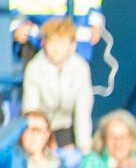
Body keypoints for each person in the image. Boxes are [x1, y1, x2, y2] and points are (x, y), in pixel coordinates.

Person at [20, 18, 92, 153]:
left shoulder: (81, 68)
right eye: (51, 42)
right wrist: (41, 139)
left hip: (66, 127)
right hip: (41, 128)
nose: (56, 48)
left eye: (61, 42)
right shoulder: (34, 67)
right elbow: (30, 109)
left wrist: (84, 148)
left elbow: (83, 111)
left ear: (72, 46)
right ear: (43, 43)